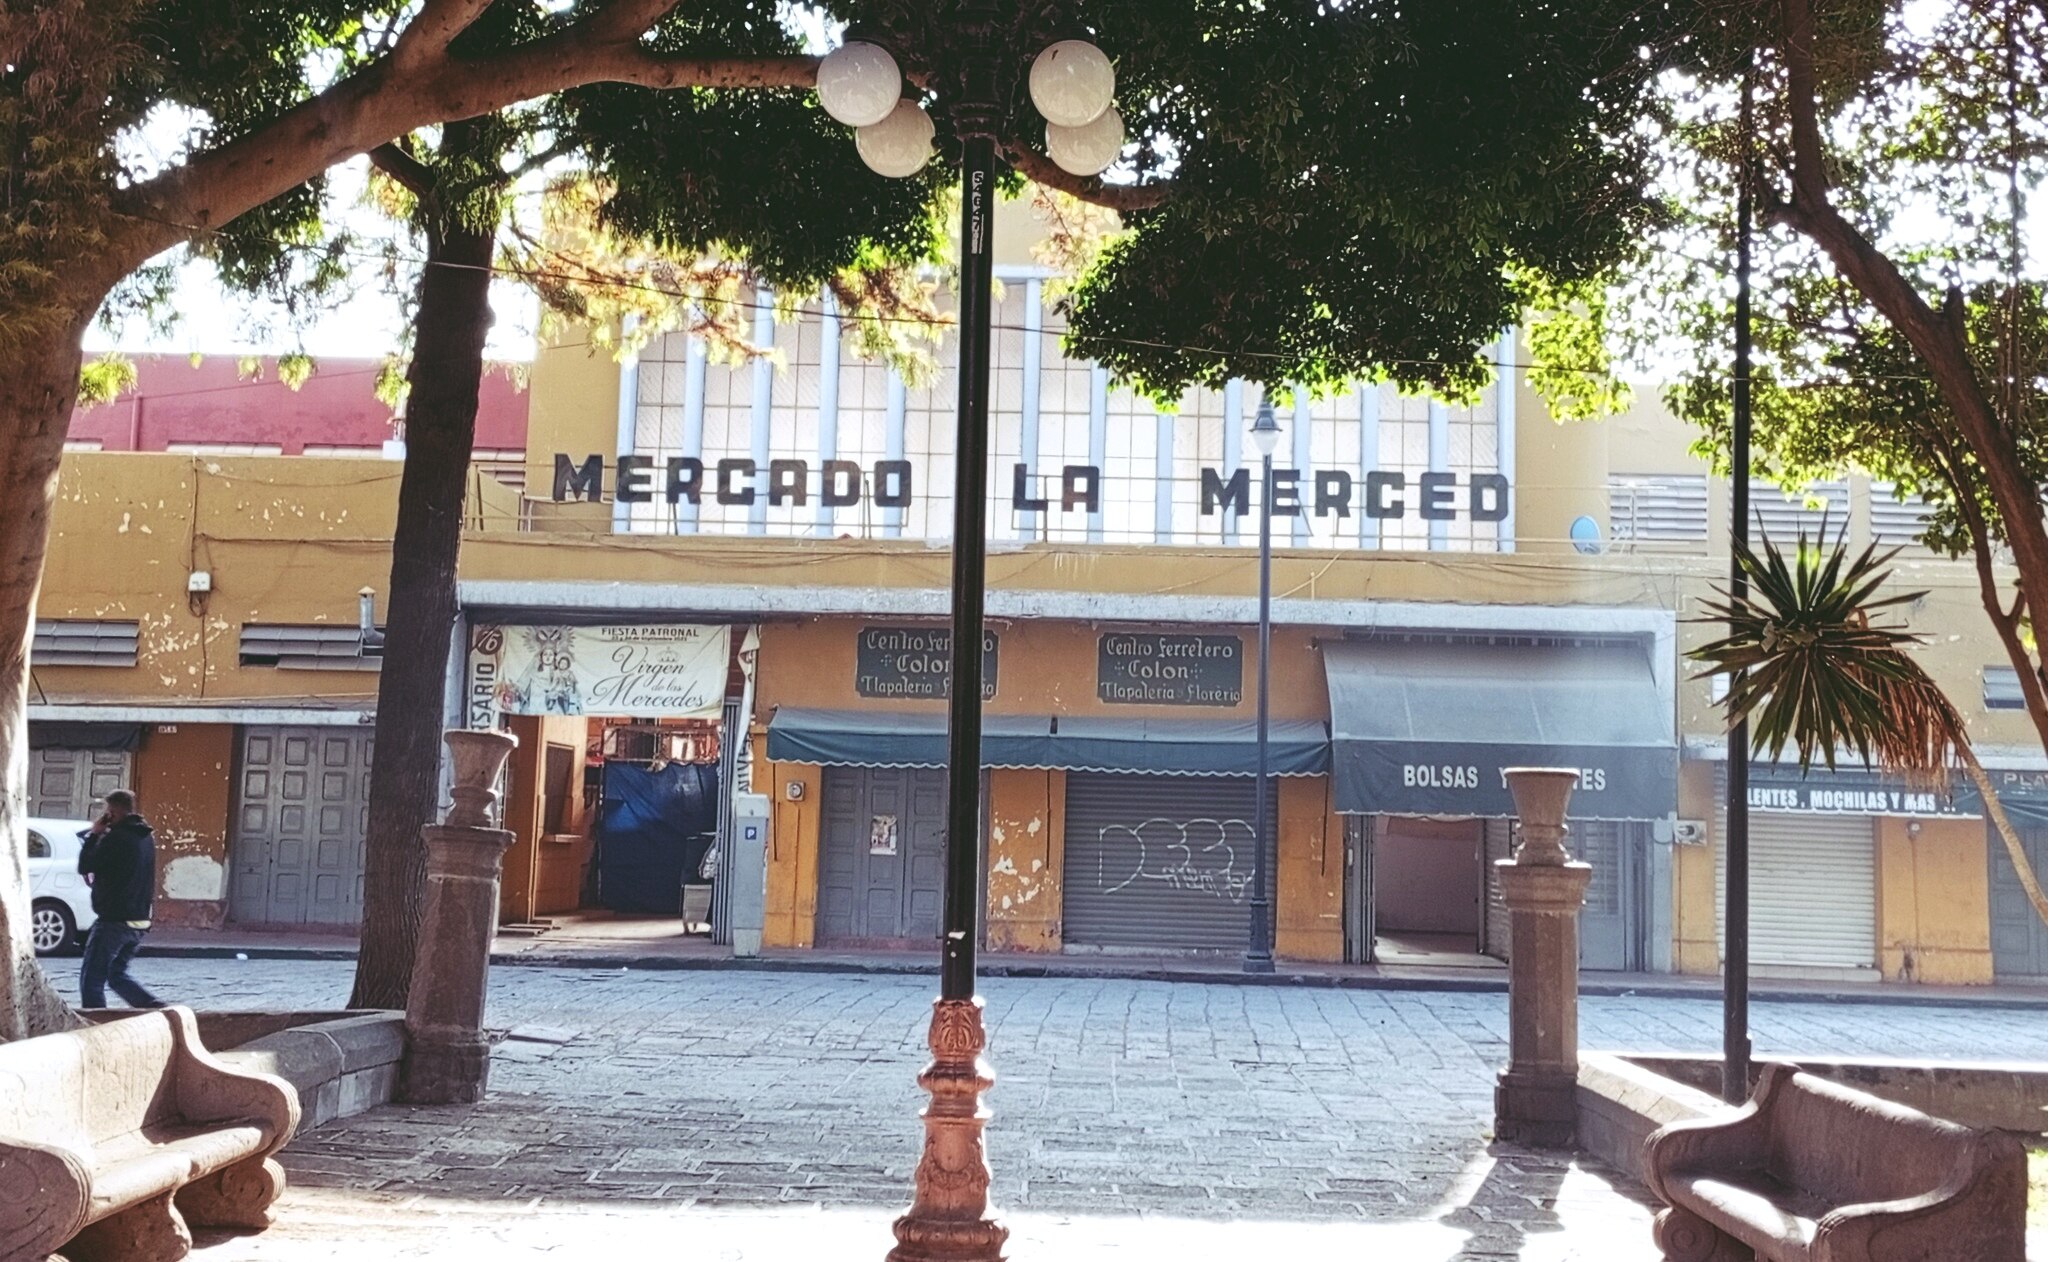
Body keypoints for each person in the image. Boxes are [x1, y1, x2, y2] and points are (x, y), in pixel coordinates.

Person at [76, 788, 164, 1010]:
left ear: (112, 813)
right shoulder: (145, 837)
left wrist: (95, 834)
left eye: (107, 811)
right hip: (140, 919)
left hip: (114, 920)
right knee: (116, 975)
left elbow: (85, 866)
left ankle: (97, 1025)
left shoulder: (115, 838)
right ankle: (156, 1009)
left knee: (91, 981)